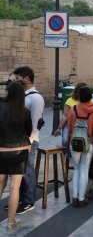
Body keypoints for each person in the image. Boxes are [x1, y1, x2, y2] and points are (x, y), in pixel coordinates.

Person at [0, 82, 32, 231]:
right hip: (19, 151)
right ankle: (10, 223)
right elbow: (29, 131)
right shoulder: (24, 111)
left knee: (0, 183)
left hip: (1, 151)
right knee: (14, 187)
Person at [12, 66, 44, 214]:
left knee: (28, 171)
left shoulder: (35, 98)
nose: (15, 80)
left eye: (18, 77)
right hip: (17, 140)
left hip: (29, 140)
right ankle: (18, 199)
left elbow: (35, 122)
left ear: (26, 78)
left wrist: (30, 141)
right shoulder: (21, 96)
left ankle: (29, 201)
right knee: (19, 171)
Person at [67, 86, 93, 207]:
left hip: (75, 142)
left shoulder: (74, 109)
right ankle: (82, 198)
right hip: (89, 142)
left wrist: (69, 140)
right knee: (84, 169)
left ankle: (75, 197)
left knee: (76, 168)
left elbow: (70, 126)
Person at [54, 82, 87, 150]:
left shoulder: (89, 101)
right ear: (77, 92)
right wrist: (59, 128)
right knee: (65, 141)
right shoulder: (70, 101)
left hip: (84, 126)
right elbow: (65, 115)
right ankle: (66, 157)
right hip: (70, 125)